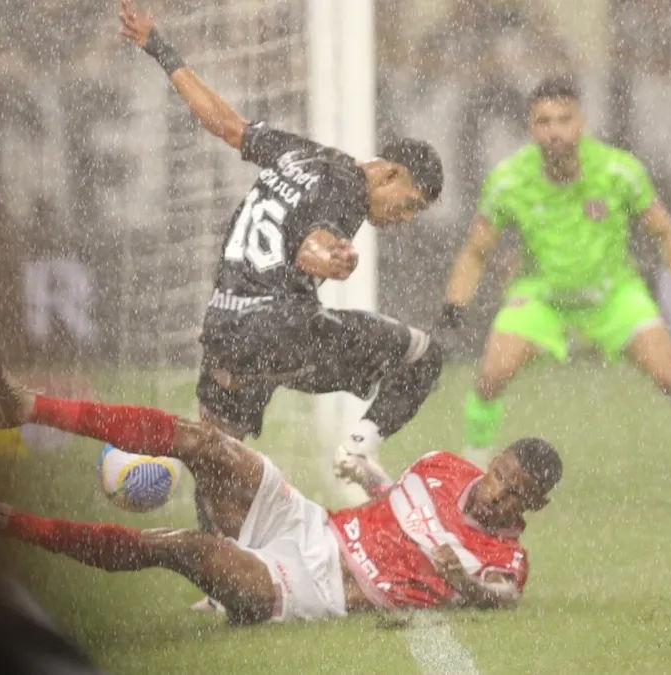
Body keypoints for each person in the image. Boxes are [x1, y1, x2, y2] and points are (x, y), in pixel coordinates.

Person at [117, 0, 445, 473]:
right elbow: (307, 241)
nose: (406, 218)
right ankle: (358, 447)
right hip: (279, 332)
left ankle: (190, 509)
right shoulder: (347, 188)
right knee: (423, 355)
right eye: (410, 204)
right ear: (390, 173)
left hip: (224, 329)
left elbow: (225, 125)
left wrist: (158, 46)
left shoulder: (300, 154)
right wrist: (329, 258)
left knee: (218, 469)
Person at [0, 363, 561, 623]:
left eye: (516, 493)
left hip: (318, 589)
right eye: (501, 475)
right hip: (310, 524)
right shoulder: (444, 466)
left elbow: (500, 597)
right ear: (496, 461)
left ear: (534, 505)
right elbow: (405, 503)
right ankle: (29, 407)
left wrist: (463, 582)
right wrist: (369, 475)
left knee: (187, 548)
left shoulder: (505, 561)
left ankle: (11, 524)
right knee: (208, 443)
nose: (498, 493)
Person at [438, 76, 671, 500]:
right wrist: (452, 310)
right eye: (543, 121)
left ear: (581, 123)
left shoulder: (618, 171)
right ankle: (471, 472)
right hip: (542, 296)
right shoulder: (508, 180)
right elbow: (476, 252)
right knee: (491, 377)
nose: (554, 130)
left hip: (613, 295)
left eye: (563, 119)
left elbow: (665, 232)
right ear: (530, 128)